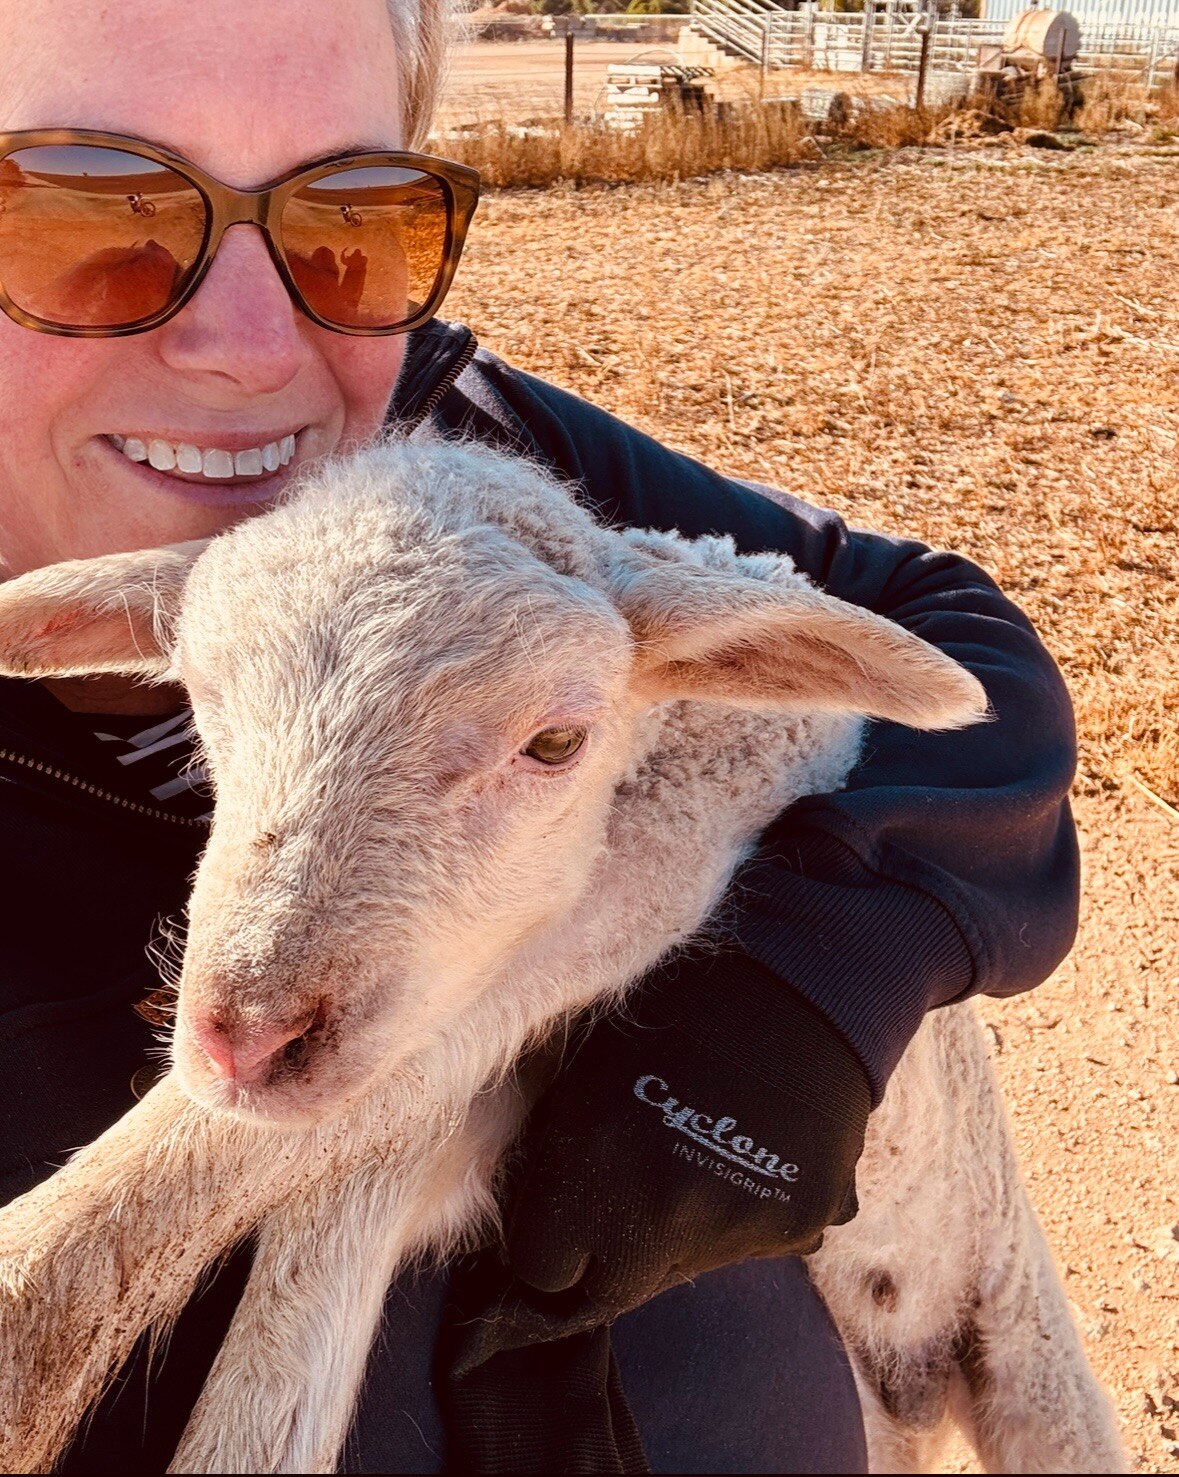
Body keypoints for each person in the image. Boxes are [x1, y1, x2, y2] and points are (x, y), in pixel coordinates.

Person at [0, 1, 1078, 1472]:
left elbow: (948, 644)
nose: (252, 348)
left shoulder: (472, 455)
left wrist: (807, 983)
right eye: (87, 212)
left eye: (348, 223)